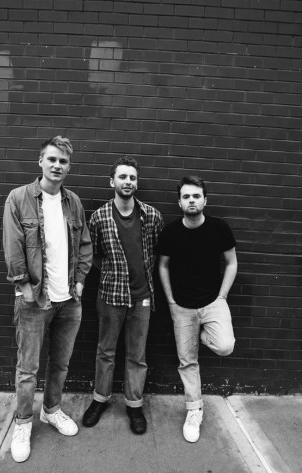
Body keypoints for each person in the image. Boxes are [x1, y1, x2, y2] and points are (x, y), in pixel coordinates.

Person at [2, 135, 92, 463]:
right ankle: (23, 422)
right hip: (33, 300)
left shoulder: (73, 202)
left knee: (61, 363)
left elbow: (84, 244)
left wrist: (79, 281)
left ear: (69, 167)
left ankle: (51, 410)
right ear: (40, 161)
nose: (57, 165)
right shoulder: (19, 198)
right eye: (51, 159)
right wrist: (23, 284)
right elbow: (13, 244)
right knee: (28, 368)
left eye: (63, 161)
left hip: (69, 300)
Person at [82, 157, 163, 434]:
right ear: (112, 181)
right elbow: (92, 254)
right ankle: (100, 400)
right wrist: (111, 270)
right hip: (110, 296)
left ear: (136, 182)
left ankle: (134, 405)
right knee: (105, 351)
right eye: (122, 177)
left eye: (132, 178)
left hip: (142, 297)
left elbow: (155, 251)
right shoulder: (99, 217)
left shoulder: (152, 216)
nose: (128, 182)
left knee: (137, 355)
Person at [157, 175, 237, 443]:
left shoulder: (219, 228)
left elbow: (232, 262)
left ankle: (203, 336)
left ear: (205, 200)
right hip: (182, 307)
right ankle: (194, 410)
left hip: (213, 302)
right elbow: (162, 266)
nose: (191, 200)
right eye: (186, 197)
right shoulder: (170, 232)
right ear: (179, 202)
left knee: (225, 346)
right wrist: (171, 301)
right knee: (187, 361)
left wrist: (222, 296)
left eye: (196, 196)